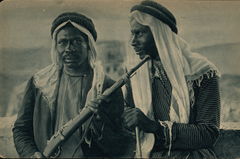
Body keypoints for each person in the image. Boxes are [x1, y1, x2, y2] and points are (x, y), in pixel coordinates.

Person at [12, 12, 125, 158]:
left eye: (76, 42)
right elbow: (21, 129)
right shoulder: (39, 83)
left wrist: (99, 123)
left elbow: (119, 144)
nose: (69, 48)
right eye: (63, 42)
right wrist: (31, 154)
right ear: (56, 46)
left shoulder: (106, 86)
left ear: (88, 45)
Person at [123, 1, 221, 159]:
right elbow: (127, 124)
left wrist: (155, 127)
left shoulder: (201, 72)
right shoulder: (135, 74)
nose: (133, 42)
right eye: (132, 34)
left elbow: (208, 133)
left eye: (140, 33)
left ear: (160, 34)